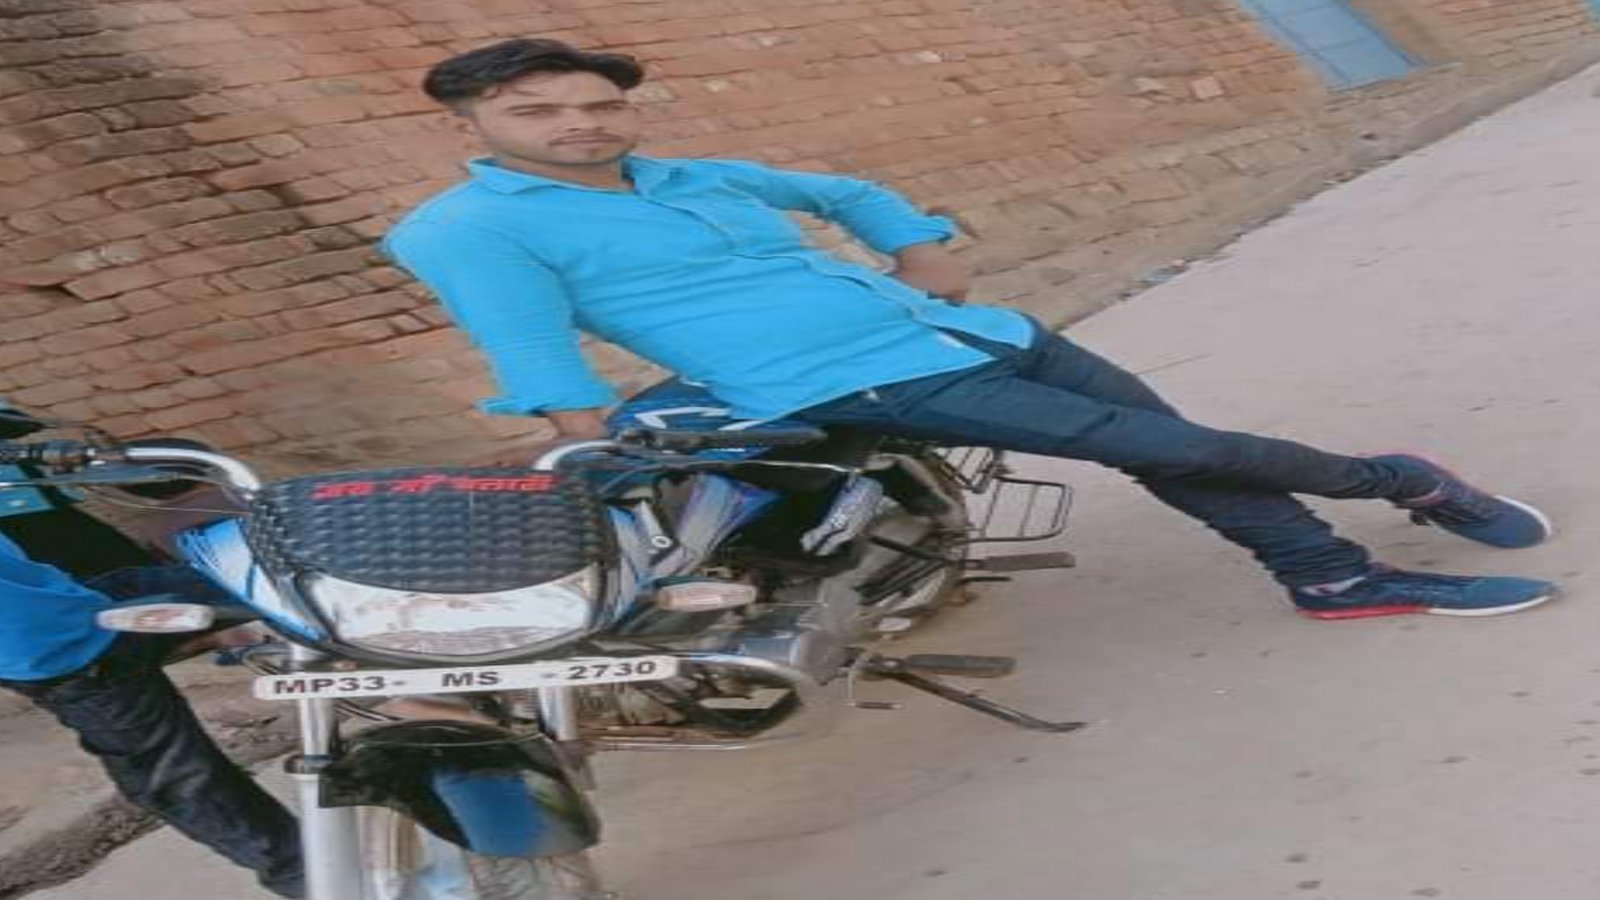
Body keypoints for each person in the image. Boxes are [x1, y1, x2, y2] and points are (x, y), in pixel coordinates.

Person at [384, 38, 1555, 620]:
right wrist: (586, 446)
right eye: (538, 112)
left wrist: (922, 247)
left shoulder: (686, 173)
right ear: (469, 122)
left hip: (969, 331)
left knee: (1173, 447)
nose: (580, 125)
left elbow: (842, 190)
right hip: (844, 380)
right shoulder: (466, 228)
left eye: (598, 105)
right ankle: (1399, 479)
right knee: (1172, 445)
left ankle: (1328, 576)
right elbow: (532, 349)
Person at [0, 408, 304, 898]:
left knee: (288, 576)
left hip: (79, 601)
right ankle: (313, 877)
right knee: (177, 778)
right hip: (66, 650)